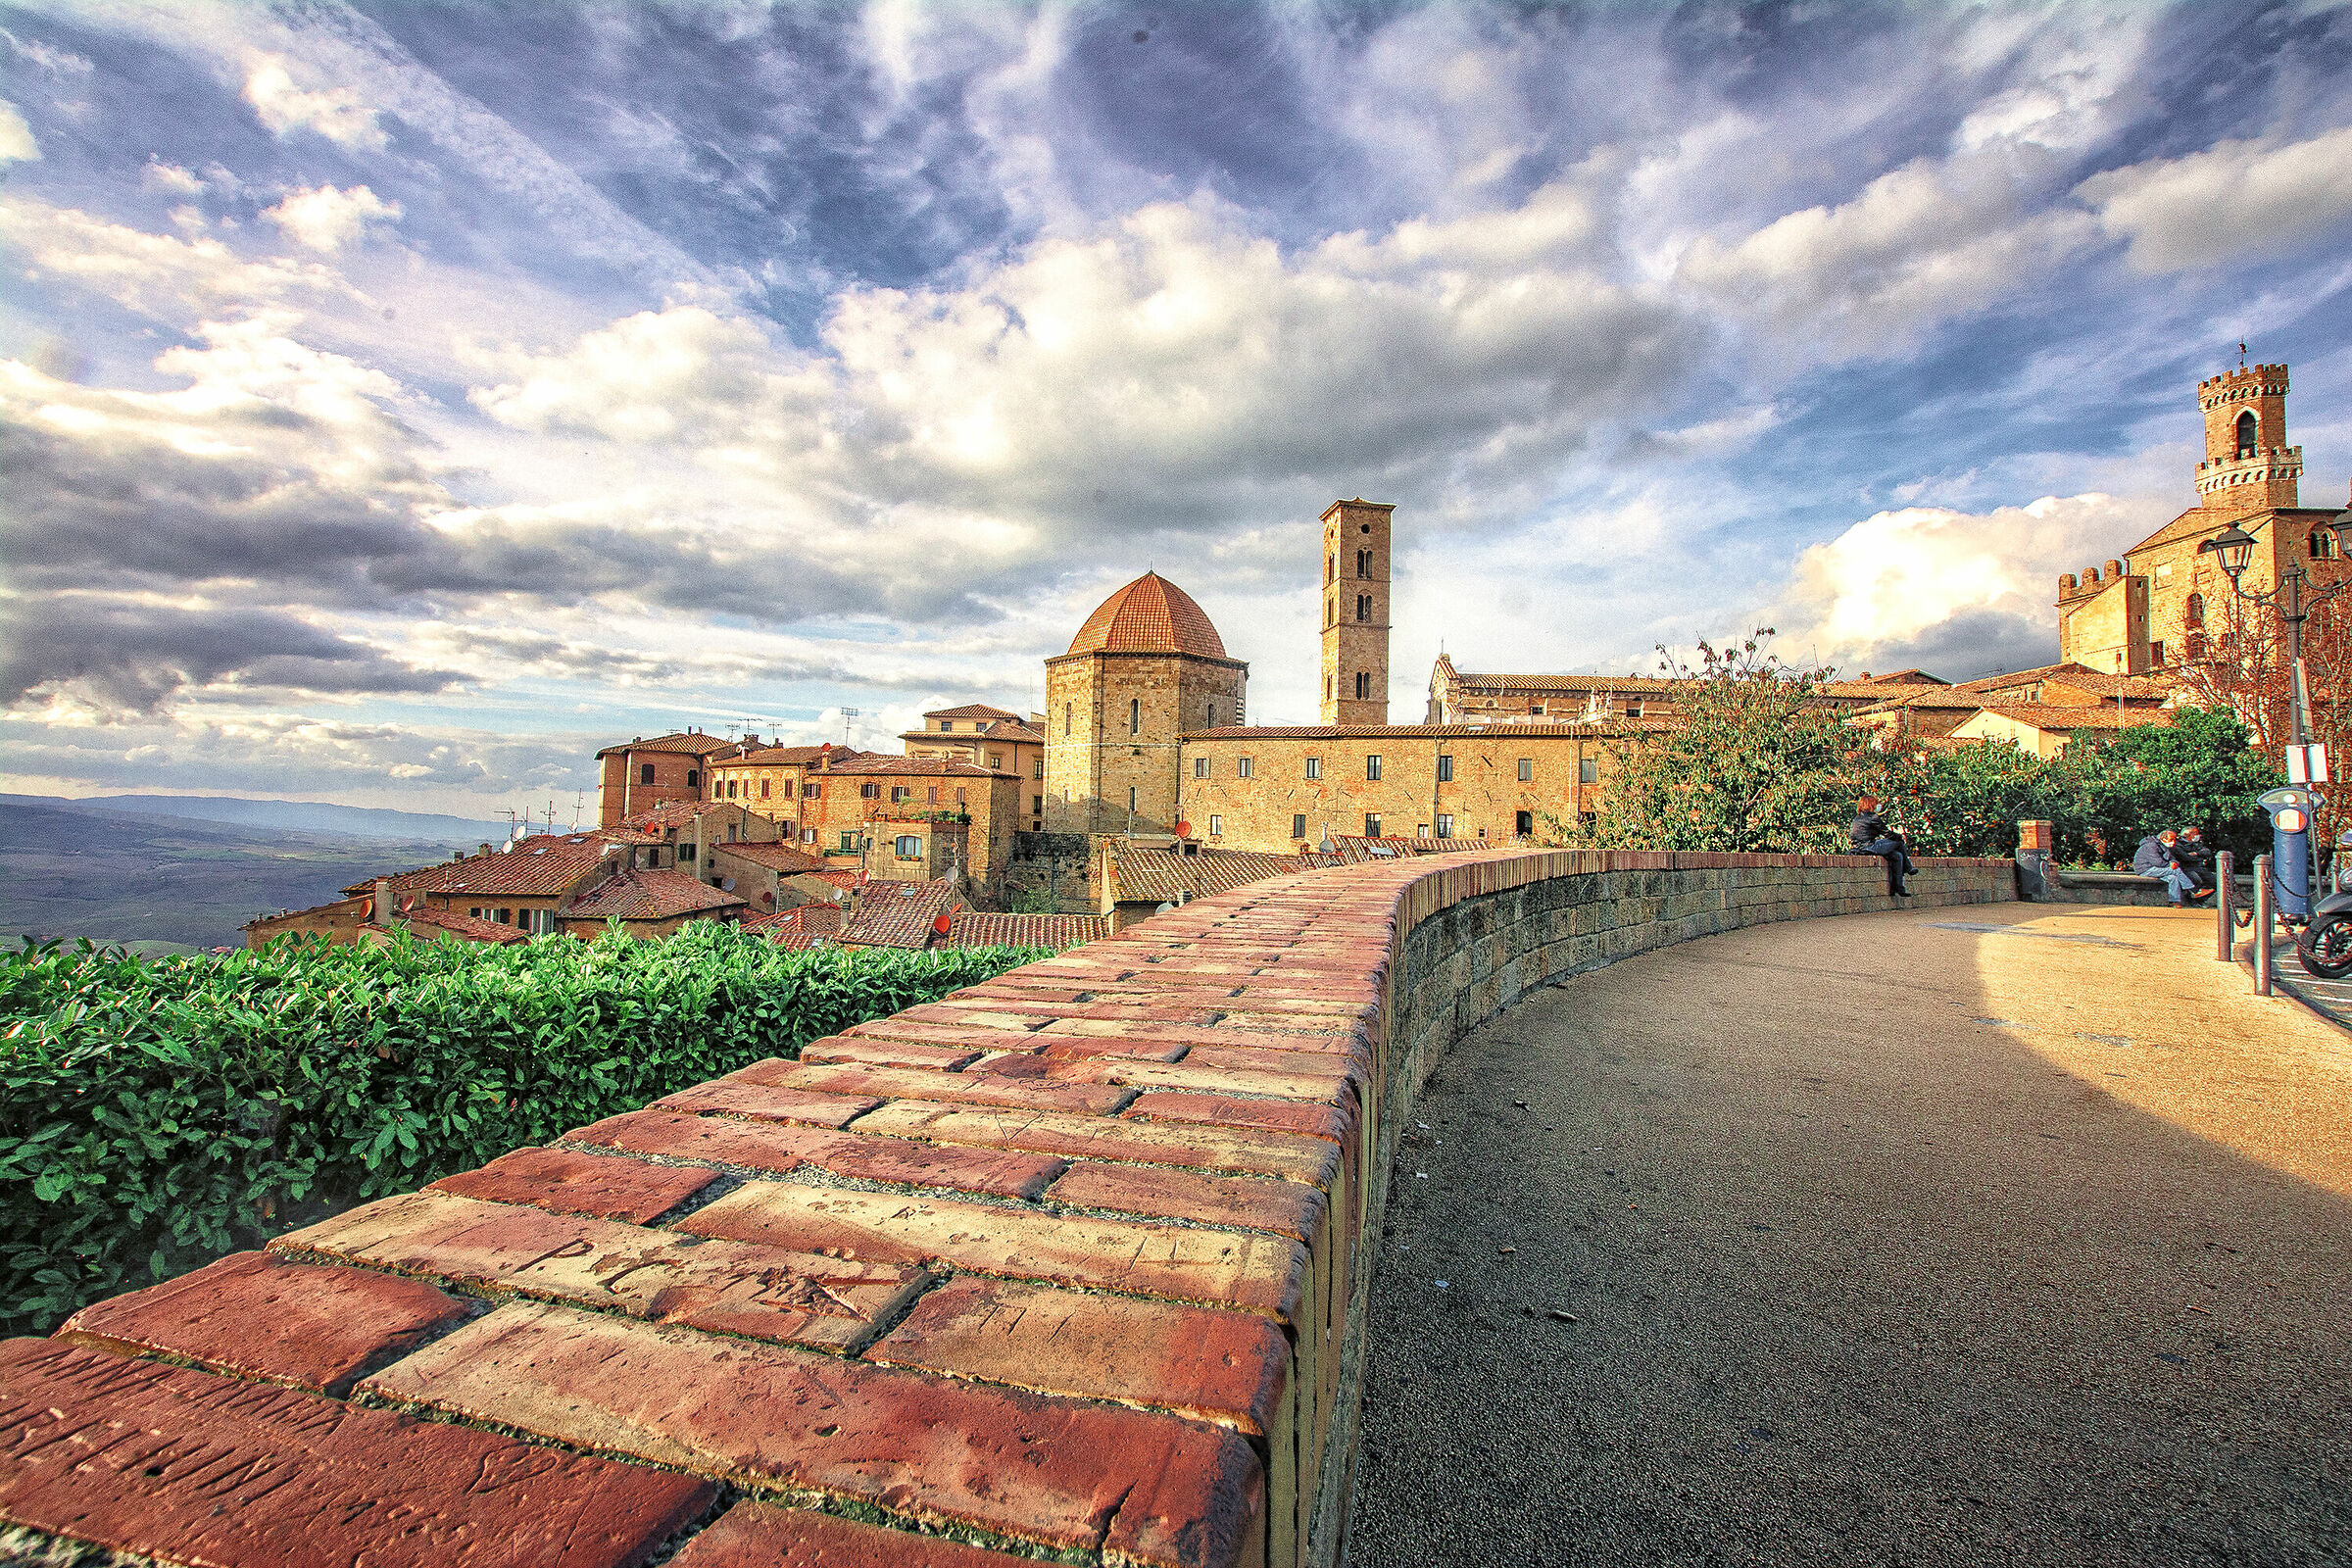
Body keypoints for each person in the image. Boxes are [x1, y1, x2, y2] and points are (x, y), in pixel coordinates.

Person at [1849, 795, 1916, 896]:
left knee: (1897, 856)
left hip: (1860, 847)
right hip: (1869, 847)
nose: (1878, 806)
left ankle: (1899, 888)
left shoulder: (1857, 818)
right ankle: (1908, 868)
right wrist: (1899, 836)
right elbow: (1887, 833)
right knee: (1899, 842)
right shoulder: (1873, 817)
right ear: (1871, 804)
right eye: (1876, 803)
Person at [2132, 828, 2208, 906]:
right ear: (2163, 838)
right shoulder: (2150, 846)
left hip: (2156, 869)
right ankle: (2195, 891)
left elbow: (2171, 858)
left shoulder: (2162, 845)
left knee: (2173, 878)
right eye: (2171, 839)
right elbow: (2157, 862)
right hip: (2145, 869)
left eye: (2174, 839)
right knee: (2176, 871)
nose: (2173, 842)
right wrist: (2170, 865)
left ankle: (2174, 901)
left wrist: (2173, 862)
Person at [2173, 826, 2216, 893]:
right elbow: (2186, 858)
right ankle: (2194, 897)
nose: (2199, 835)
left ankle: (2201, 899)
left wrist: (2196, 853)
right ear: (2189, 835)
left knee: (2216, 882)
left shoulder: (2197, 843)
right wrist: (2200, 858)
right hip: (2186, 868)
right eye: (2196, 833)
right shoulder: (2177, 845)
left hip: (2199, 868)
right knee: (2196, 879)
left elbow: (2207, 852)